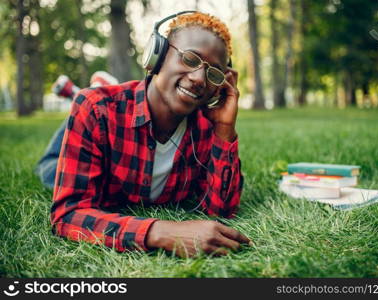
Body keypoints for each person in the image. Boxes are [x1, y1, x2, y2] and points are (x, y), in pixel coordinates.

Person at [36, 11, 251, 257]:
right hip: (102, 116)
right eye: (190, 59)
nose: (199, 79)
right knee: (49, 171)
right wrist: (161, 232)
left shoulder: (205, 126)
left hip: (114, 110)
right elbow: (68, 215)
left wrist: (225, 129)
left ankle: (100, 86)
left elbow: (222, 211)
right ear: (157, 56)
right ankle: (94, 89)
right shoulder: (96, 108)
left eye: (213, 73)